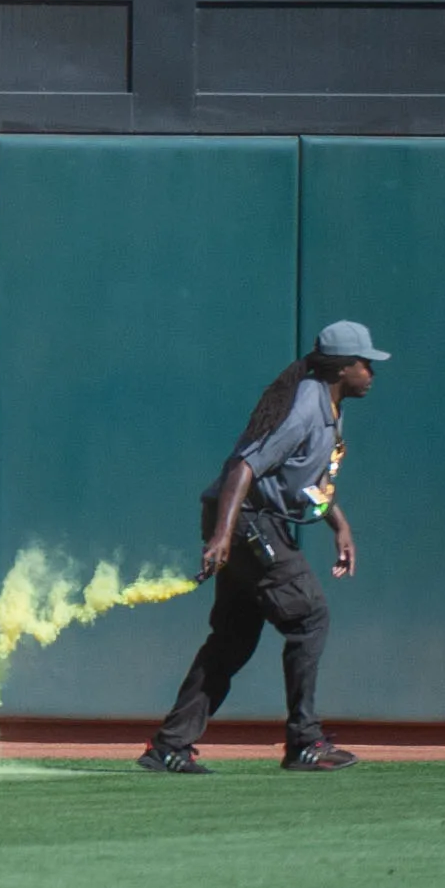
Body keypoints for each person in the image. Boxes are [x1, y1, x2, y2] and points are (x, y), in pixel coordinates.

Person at [138, 319, 387, 776]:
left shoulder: (330, 404)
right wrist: (222, 536)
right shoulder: (305, 406)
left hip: (254, 522)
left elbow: (308, 483)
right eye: (364, 364)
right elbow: (242, 467)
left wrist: (339, 524)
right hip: (247, 519)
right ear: (340, 368)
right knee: (309, 615)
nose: (371, 372)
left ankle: (170, 746)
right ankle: (305, 742)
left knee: (233, 639)